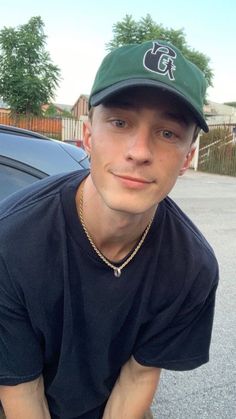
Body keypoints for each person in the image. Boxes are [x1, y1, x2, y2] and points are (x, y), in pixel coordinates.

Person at [0, 39, 219, 419]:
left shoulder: (191, 269)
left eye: (167, 132)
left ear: (187, 157)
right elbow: (22, 391)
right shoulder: (11, 242)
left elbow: (136, 379)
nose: (138, 151)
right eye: (120, 122)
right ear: (88, 136)